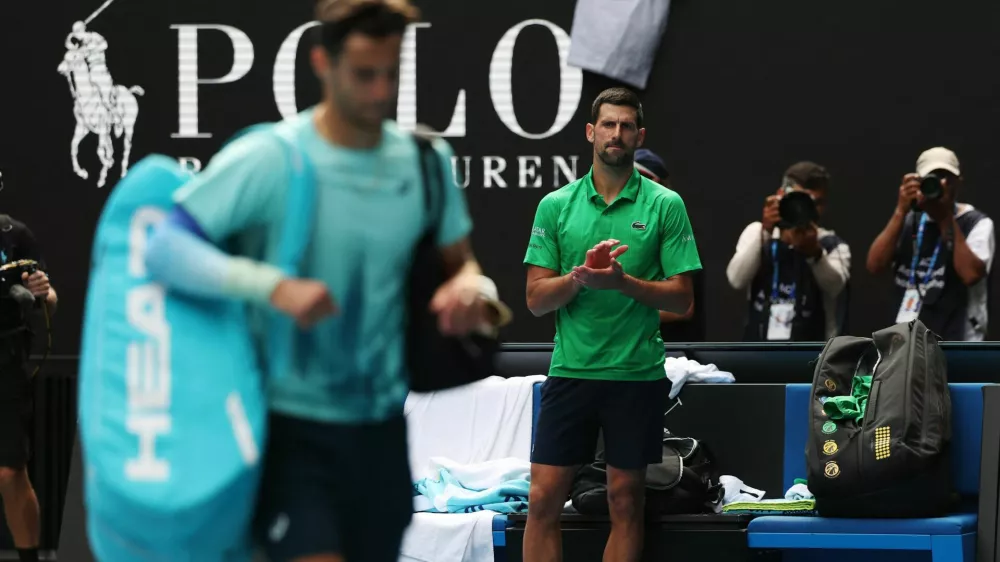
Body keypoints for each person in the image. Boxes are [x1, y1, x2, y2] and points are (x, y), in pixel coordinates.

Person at [143, 1, 508, 561]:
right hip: (291, 430)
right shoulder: (271, 158)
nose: (380, 90)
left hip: (382, 431)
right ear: (322, 63)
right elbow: (164, 247)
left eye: (391, 72)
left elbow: (464, 263)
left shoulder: (425, 162)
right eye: (364, 74)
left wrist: (472, 292)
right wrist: (273, 287)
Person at [523, 87, 701, 562]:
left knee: (625, 502)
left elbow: (683, 299)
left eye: (625, 126)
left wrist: (624, 284)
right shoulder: (556, 205)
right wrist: (580, 279)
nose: (615, 134)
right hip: (571, 372)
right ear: (590, 132)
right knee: (541, 500)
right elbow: (537, 300)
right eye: (607, 124)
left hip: (635, 377)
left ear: (638, 135)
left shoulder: (666, 205)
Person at [866, 147, 994, 341]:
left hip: (957, 339)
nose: (940, 184)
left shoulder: (976, 223)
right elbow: (875, 266)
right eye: (932, 178)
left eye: (946, 178)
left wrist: (944, 218)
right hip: (908, 339)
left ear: (958, 183)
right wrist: (900, 211)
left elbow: (971, 275)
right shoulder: (910, 221)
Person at [0, 174, 58, 562]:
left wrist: (41, 292)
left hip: (6, 362)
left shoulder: (15, 235)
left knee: (10, 473)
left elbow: (50, 300)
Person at [726, 162, 851, 341]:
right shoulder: (758, 233)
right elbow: (736, 280)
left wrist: (815, 253)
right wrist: (766, 232)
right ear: (780, 196)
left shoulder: (831, 244)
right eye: (802, 199)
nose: (808, 209)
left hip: (811, 353)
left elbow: (835, 287)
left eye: (817, 203)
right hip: (759, 349)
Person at [633, 148, 707, 342]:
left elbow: (683, 307)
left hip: (677, 355)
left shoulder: (676, 232)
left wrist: (623, 316)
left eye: (644, 178)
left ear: (663, 186)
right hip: (633, 354)